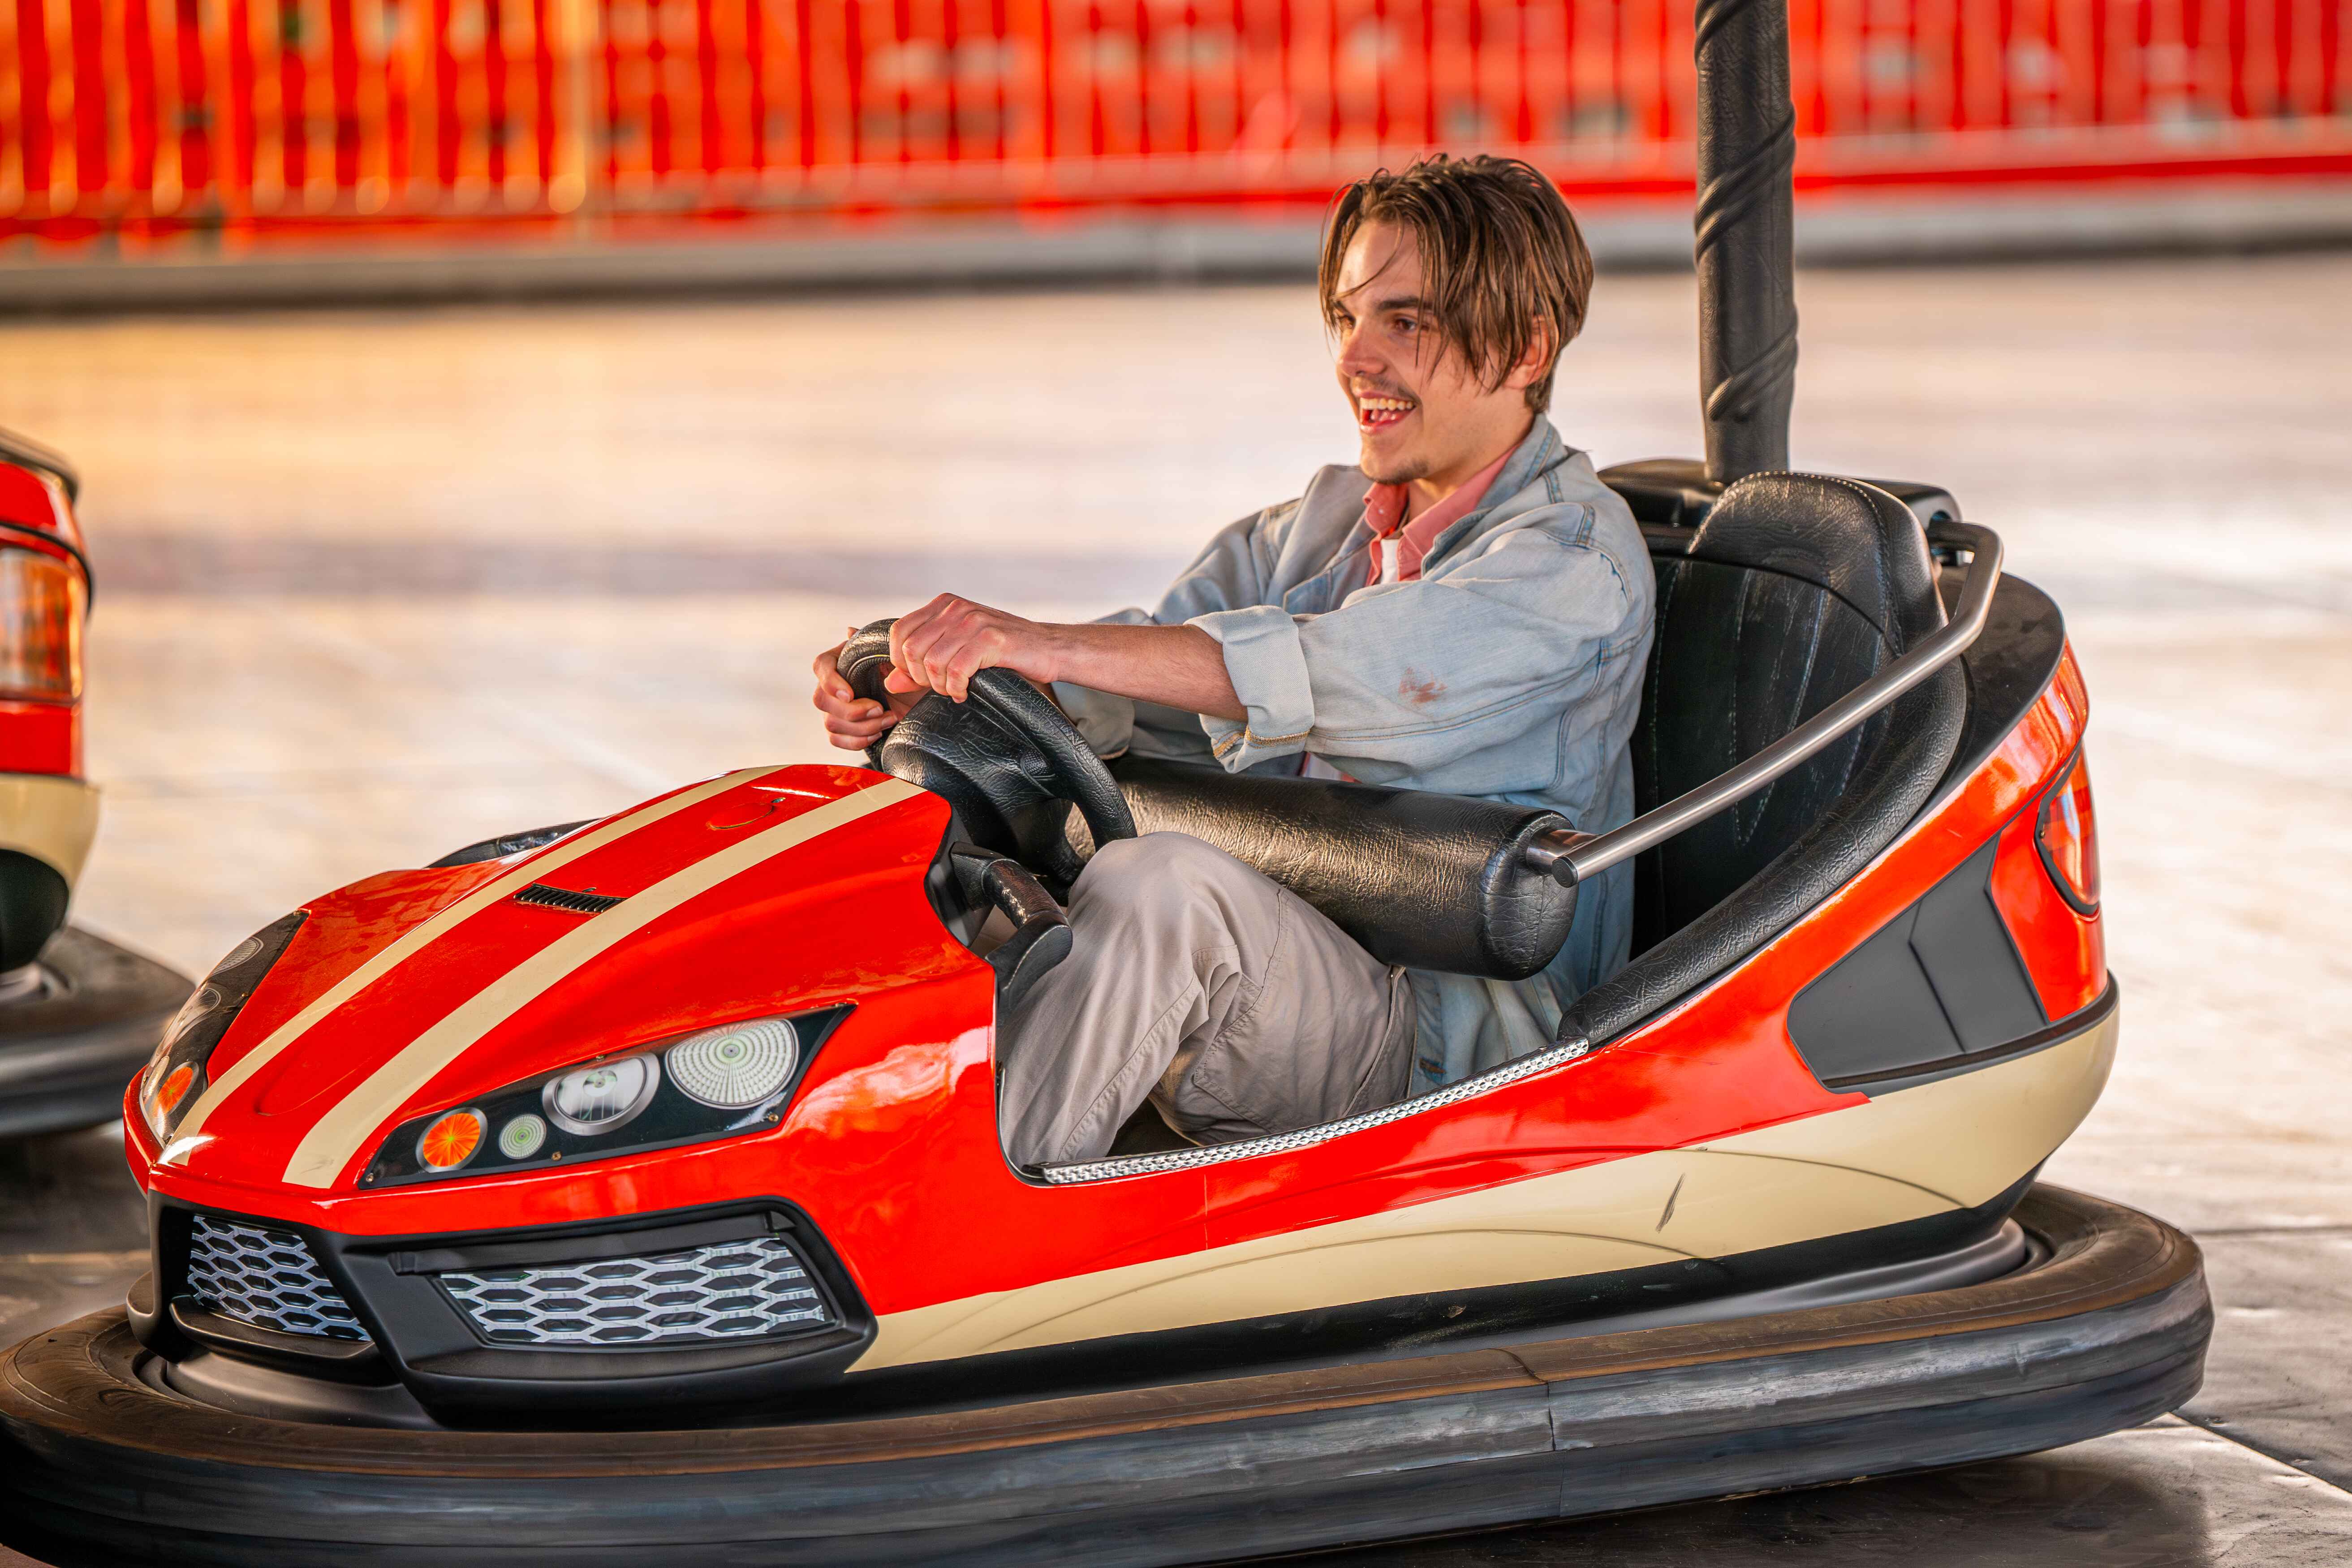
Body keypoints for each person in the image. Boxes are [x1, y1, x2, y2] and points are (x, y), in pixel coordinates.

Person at [811, 154, 1654, 1169]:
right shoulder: (1318, 529)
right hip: (1305, 962)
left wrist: (1041, 641)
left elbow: (1343, 671)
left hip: (1457, 1046)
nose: (1356, 359)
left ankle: (951, 1233)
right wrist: (947, 681)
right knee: (940, 861)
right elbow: (1149, 671)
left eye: (1406, 322)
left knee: (1159, 894)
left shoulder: (1572, 564)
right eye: (1347, 319)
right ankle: (806, 1154)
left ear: (1525, 348)